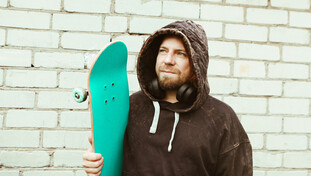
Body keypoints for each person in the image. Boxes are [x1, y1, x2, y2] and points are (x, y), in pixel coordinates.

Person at [82, 20, 253, 175]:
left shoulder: (221, 118)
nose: (168, 60)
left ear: (196, 65)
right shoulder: (131, 107)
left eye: (180, 54)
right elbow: (111, 164)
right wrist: (95, 165)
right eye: (163, 51)